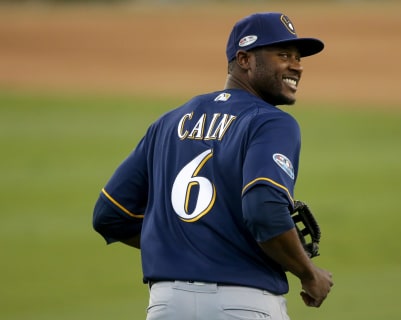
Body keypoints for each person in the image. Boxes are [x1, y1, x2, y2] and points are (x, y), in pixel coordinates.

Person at [93, 12, 333, 319]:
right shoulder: (271, 123)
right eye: (283, 55)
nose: (296, 65)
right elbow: (265, 209)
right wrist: (308, 272)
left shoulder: (167, 123)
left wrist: (188, 242)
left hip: (166, 306)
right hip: (243, 305)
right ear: (244, 59)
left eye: (299, 57)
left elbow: (109, 214)